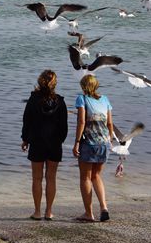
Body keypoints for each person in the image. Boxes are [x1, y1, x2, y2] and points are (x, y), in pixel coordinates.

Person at [21, 69, 68, 220]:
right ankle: (49, 211)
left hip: (37, 141)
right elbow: (64, 126)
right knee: (51, 178)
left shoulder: (33, 99)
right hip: (54, 143)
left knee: (37, 178)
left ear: (40, 81)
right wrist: (59, 140)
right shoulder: (60, 101)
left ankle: (37, 212)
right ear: (55, 83)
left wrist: (25, 139)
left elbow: (26, 120)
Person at [72, 74, 114, 222]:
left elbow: (82, 121)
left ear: (84, 86)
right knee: (97, 176)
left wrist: (77, 141)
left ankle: (89, 213)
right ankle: (104, 207)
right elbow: (109, 123)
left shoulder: (81, 99)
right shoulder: (105, 99)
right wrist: (110, 140)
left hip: (89, 144)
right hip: (104, 144)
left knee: (85, 177)